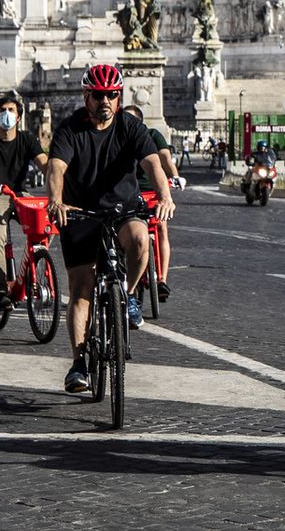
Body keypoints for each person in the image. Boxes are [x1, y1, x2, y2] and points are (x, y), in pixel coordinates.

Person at [47, 63, 175, 393]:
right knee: (80, 290)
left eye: (112, 96)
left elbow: (152, 163)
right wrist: (56, 201)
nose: (106, 101)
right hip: (79, 213)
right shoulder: (69, 129)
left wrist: (164, 195)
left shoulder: (131, 127)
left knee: (140, 241)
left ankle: (128, 296)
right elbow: (56, 169)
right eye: (99, 95)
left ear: (119, 98)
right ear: (86, 96)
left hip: (122, 208)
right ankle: (78, 363)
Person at [0, 94, 49, 310]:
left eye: (12, 110)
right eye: (2, 110)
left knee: (46, 225)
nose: (7, 114)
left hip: (20, 194)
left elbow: (43, 163)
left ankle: (33, 265)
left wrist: (59, 179)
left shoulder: (27, 139)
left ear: (19, 116)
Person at [124, 105, 183, 303]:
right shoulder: (118, 137)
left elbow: (165, 158)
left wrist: (175, 176)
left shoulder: (152, 135)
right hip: (129, 192)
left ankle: (162, 279)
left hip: (152, 190)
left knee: (161, 228)